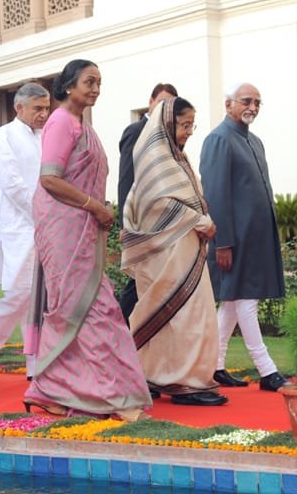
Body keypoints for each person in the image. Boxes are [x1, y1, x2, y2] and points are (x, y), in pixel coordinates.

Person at [24, 59, 151, 421]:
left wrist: (97, 210)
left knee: (87, 309)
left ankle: (53, 390)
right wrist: (94, 206)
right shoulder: (62, 121)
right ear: (68, 87)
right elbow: (50, 178)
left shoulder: (82, 124)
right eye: (88, 82)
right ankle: (114, 398)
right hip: (65, 229)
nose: (95, 89)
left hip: (82, 226)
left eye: (99, 83)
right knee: (90, 309)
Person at [122, 97, 227, 406]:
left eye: (192, 125)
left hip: (186, 250)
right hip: (167, 255)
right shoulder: (156, 158)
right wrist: (198, 220)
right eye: (184, 125)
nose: (189, 131)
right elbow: (159, 205)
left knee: (193, 316)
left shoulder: (177, 157)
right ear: (168, 124)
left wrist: (201, 220)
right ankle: (183, 382)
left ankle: (161, 375)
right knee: (180, 316)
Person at [199, 83, 288, 392]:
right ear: (228, 105)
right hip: (232, 241)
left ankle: (215, 366)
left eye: (257, 103)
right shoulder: (218, 140)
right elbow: (215, 195)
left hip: (255, 239)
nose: (253, 107)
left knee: (233, 305)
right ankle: (267, 371)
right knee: (246, 303)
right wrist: (222, 242)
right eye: (247, 101)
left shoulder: (255, 142)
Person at [0, 83, 50, 382]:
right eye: (37, 108)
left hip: (46, 227)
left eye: (46, 108)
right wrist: (42, 214)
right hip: (20, 228)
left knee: (40, 301)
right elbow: (13, 185)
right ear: (19, 108)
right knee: (20, 294)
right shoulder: (5, 135)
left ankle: (36, 368)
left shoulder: (45, 136)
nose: (44, 114)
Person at [116, 83, 178, 323]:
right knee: (138, 279)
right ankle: (117, 330)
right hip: (139, 220)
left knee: (155, 279)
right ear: (150, 102)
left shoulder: (168, 135)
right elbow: (126, 178)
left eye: (170, 104)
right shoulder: (136, 130)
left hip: (163, 222)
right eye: (161, 102)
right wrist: (126, 223)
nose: (164, 108)